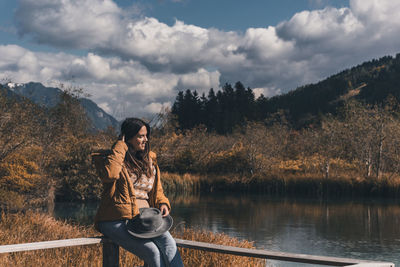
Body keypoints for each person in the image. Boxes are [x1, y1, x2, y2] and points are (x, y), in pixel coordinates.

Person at [93, 117, 184, 267]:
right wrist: (120, 146)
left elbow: (157, 190)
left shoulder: (150, 160)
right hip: (115, 219)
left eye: (146, 135)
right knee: (152, 252)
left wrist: (163, 202)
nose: (145, 139)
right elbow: (110, 175)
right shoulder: (114, 159)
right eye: (140, 136)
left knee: (169, 245)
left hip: (144, 219)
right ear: (128, 137)